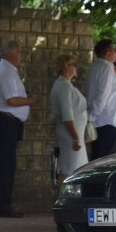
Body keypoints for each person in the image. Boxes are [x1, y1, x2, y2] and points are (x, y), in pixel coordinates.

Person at [0, 41, 36, 218]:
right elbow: (11, 100)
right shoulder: (5, 71)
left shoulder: (9, 70)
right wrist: (29, 101)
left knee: (5, 164)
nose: (21, 55)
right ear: (10, 54)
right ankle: (2, 205)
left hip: (8, 122)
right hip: (4, 121)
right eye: (19, 52)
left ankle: (1, 203)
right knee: (5, 165)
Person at [49, 54, 88, 184]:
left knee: (75, 167)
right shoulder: (63, 86)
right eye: (73, 64)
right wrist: (75, 137)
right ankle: (63, 199)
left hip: (74, 134)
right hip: (71, 135)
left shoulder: (66, 85)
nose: (75, 67)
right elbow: (67, 115)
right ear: (65, 67)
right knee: (70, 169)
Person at [85, 39, 116, 160]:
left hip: (101, 119)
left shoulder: (96, 66)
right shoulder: (106, 68)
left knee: (98, 157)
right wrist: (92, 116)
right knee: (105, 160)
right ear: (107, 53)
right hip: (108, 120)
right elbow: (102, 95)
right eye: (114, 50)